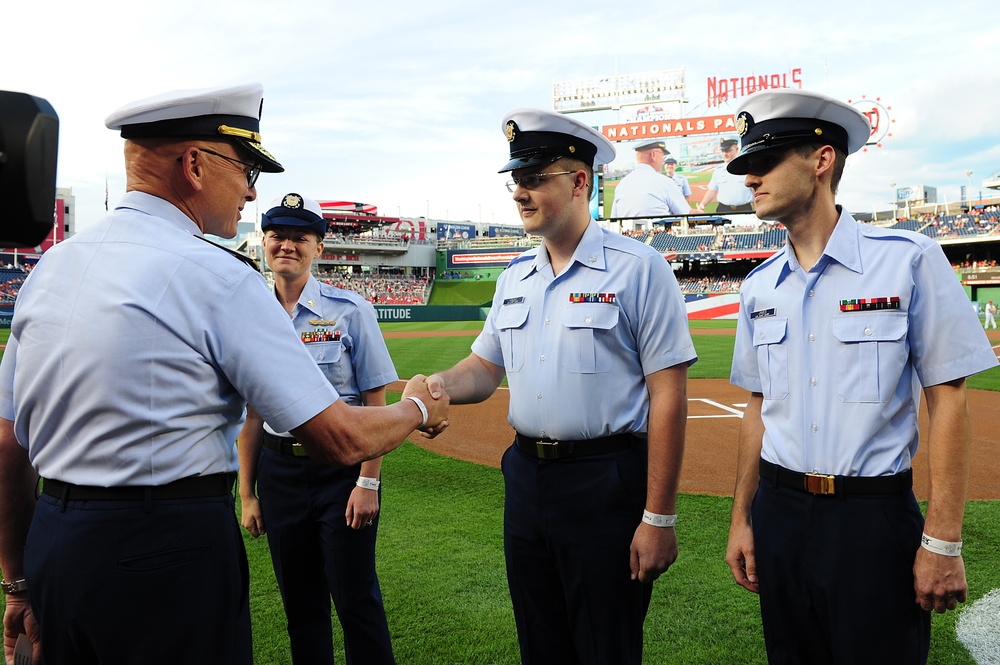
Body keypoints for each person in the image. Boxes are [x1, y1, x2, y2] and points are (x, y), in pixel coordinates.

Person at [0, 84, 447, 665]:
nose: (250, 190)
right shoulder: (219, 275)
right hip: (167, 549)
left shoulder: (50, 269)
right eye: (243, 168)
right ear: (193, 166)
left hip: (55, 546)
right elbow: (338, 436)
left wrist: (16, 582)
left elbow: (9, 443)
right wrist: (417, 408)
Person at [724, 88, 998, 664]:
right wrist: (742, 518)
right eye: (746, 166)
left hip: (870, 521)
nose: (750, 178)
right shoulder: (758, 288)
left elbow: (948, 400)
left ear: (822, 161)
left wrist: (944, 539)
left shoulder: (909, 259)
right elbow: (758, 408)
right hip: (780, 513)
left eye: (764, 161)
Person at [423, 108, 697, 664]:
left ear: (578, 182)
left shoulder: (639, 268)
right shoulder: (514, 278)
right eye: (516, 180)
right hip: (527, 480)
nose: (519, 193)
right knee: (540, 643)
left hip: (606, 484)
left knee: (605, 646)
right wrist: (437, 384)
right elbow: (483, 368)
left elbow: (668, 394)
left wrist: (659, 517)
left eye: (532, 179)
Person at [238, 193, 397, 664]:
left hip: (342, 472)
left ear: (318, 248)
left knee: (354, 599)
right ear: (263, 242)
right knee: (301, 605)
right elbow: (251, 414)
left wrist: (368, 482)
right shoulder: (248, 314)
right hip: (280, 473)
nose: (287, 245)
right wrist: (247, 494)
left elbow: (374, 402)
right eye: (278, 236)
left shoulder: (350, 310)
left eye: (299, 238)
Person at [611, 139, 691, 227]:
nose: (663, 160)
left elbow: (614, 220)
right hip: (661, 236)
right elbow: (687, 214)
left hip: (628, 237)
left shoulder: (622, 184)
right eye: (662, 155)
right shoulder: (665, 182)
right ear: (653, 155)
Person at [696, 138, 754, 213]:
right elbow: (712, 191)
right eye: (723, 151)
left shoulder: (747, 169)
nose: (725, 154)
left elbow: (754, 191)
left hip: (745, 209)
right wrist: (702, 205)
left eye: (728, 151)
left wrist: (757, 210)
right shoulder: (718, 171)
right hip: (723, 209)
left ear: (736, 149)